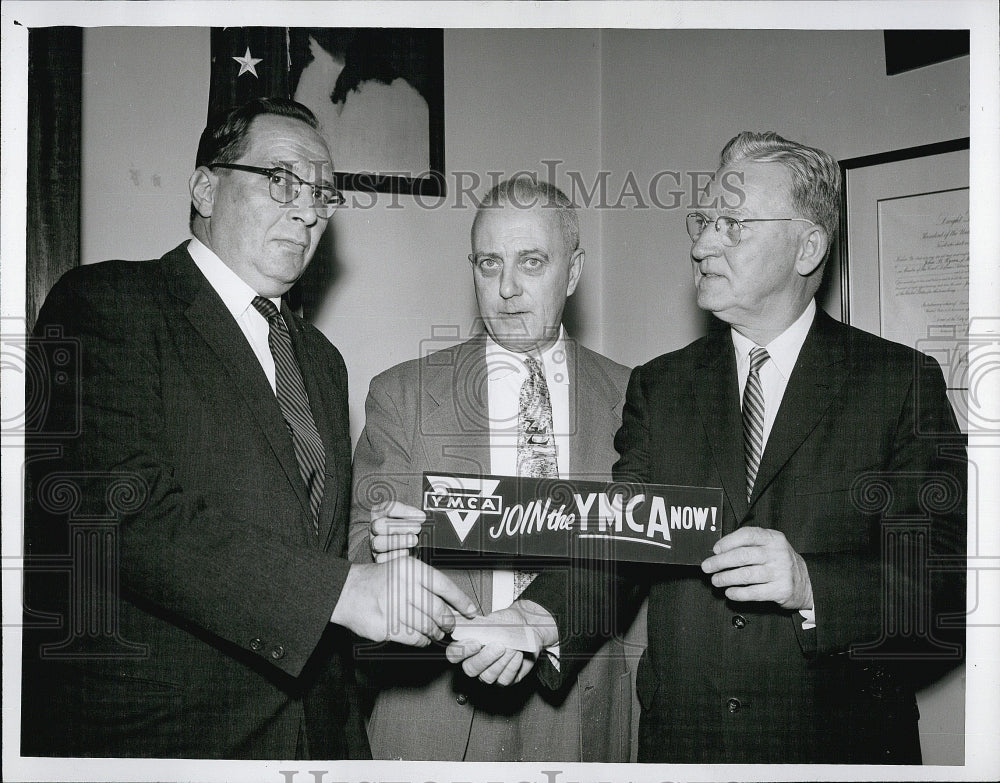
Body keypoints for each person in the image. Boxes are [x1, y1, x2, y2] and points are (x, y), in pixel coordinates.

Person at [450, 132, 967, 764]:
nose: (700, 245)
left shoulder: (898, 385)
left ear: (807, 246)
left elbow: (942, 592)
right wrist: (537, 617)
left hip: (840, 752)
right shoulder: (661, 387)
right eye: (703, 221)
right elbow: (622, 546)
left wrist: (810, 585)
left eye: (732, 225)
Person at [21, 97, 476, 759]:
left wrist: (376, 556)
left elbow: (307, 547)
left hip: (315, 739)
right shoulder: (105, 302)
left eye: (323, 190)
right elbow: (117, 511)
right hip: (163, 742)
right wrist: (342, 590)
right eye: (283, 180)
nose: (310, 207)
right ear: (206, 186)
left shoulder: (321, 359)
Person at [348, 176, 636, 761]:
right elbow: (355, 550)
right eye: (488, 264)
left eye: (531, 262)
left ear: (573, 273)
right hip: (440, 713)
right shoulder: (404, 394)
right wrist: (386, 550)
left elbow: (645, 558)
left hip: (584, 711)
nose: (507, 288)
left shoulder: (634, 398)